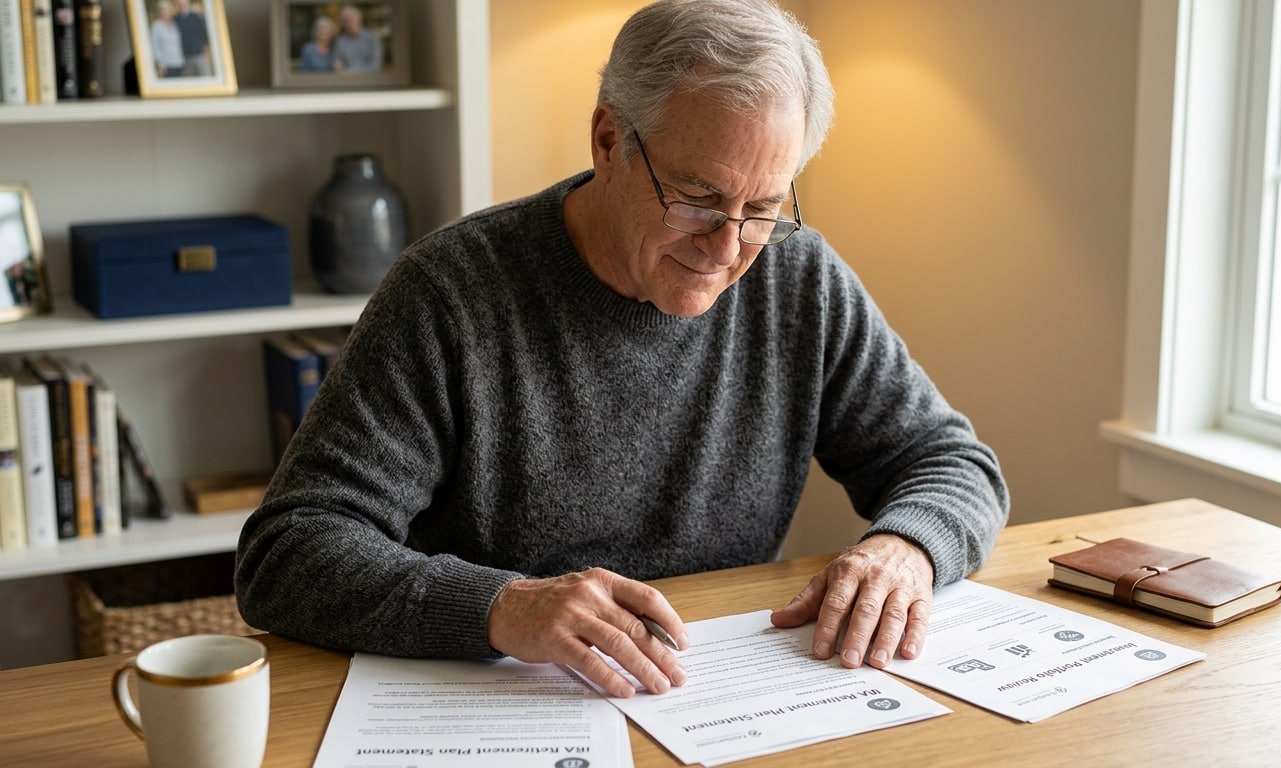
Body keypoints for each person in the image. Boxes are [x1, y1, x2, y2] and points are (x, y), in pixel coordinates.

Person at [235, 0, 1009, 700]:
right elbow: (287, 554)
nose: (729, 247)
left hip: (717, 696)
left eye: (764, 208)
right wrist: (501, 605)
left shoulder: (797, 275)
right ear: (609, 140)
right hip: (507, 702)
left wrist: (905, 548)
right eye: (698, 198)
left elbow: (952, 463)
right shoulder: (450, 292)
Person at [331, 4, 382, 72]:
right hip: (348, 81)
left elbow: (375, 66)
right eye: (345, 21)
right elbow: (337, 62)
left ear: (359, 19)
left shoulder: (372, 38)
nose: (348, 24)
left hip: (369, 80)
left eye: (350, 20)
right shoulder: (340, 41)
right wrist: (337, 65)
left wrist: (349, 71)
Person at [174, 0, 211, 77]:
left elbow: (205, 33)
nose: (182, 6)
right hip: (185, 57)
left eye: (184, 4)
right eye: (180, 4)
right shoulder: (176, 19)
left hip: (200, 54)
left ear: (188, 3)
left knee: (205, 78)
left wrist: (206, 51)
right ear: (177, 5)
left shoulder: (197, 16)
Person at [149, 1, 184, 78]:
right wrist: (160, 64)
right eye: (165, 10)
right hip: (166, 65)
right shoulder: (157, 26)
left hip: (179, 63)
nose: (167, 12)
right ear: (160, 12)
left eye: (169, 10)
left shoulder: (174, 25)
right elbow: (155, 46)